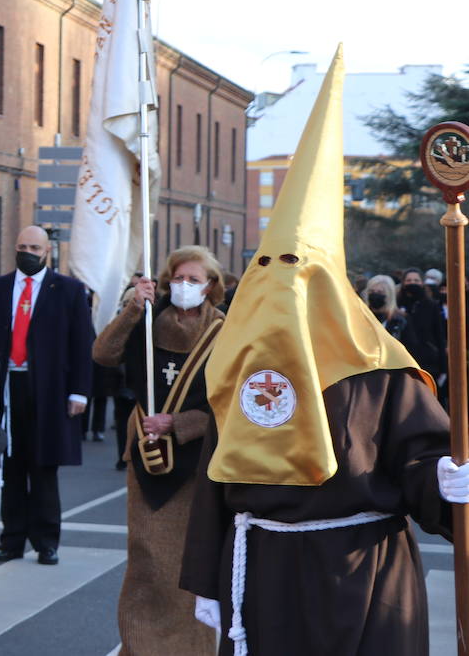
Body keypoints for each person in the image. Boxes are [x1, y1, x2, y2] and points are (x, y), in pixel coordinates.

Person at [180, 50, 459, 655]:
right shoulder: (240, 366)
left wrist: (449, 482)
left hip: (363, 577)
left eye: (300, 271)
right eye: (269, 268)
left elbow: (423, 464)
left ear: (331, 287)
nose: (283, 286)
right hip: (258, 574)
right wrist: (206, 574)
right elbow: (214, 475)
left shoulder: (381, 368)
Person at [92, 245, 227, 655]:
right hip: (148, 458)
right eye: (178, 278)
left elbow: (231, 402)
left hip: (195, 462)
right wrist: (134, 308)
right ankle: (141, 645)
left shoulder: (225, 330)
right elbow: (103, 354)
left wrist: (180, 423)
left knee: (190, 564)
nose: (184, 286)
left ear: (211, 286)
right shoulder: (149, 320)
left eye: (194, 279)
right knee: (147, 561)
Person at [0, 225, 94, 566]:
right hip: (5, 386)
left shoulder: (69, 291)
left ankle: (46, 541)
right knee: (9, 466)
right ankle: (11, 539)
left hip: (49, 389)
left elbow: (81, 345)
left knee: (43, 467)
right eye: (22, 245)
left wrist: (80, 393)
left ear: (47, 252)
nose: (28, 252)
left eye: (34, 247)